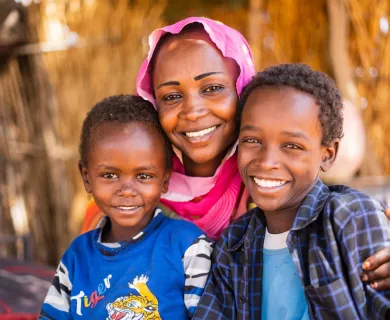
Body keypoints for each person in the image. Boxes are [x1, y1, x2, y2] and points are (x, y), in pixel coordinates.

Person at [82, 17, 390, 291]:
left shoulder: (275, 183)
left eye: (212, 88)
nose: (193, 110)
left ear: (242, 90)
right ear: (154, 106)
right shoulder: (132, 199)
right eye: (172, 96)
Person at [193, 64, 390, 320]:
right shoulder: (233, 245)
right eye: (252, 141)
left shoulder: (350, 218)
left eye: (291, 145)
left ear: (327, 155)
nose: (266, 161)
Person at [39, 95, 213, 319]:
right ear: (87, 177)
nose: (127, 190)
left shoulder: (188, 246)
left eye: (143, 175)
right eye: (109, 175)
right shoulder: (76, 258)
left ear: (165, 180)